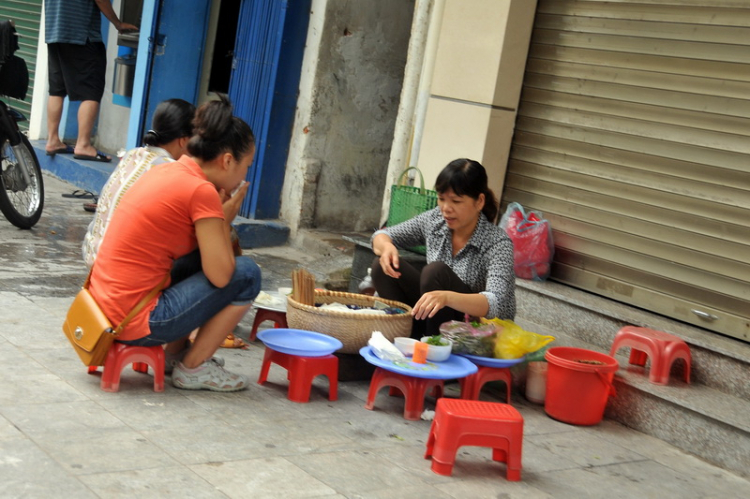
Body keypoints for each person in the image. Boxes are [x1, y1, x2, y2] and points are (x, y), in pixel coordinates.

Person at [89, 95, 261, 391]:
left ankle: (174, 356)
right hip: (133, 320)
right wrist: (224, 218)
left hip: (105, 307)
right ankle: (192, 368)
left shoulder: (168, 168)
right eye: (247, 165)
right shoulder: (200, 190)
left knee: (196, 260)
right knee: (247, 274)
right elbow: (222, 276)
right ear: (228, 160)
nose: (246, 174)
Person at [370, 158, 516, 338]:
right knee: (382, 266)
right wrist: (386, 247)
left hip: (477, 332)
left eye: (455, 201)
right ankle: (407, 337)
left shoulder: (497, 242)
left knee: (435, 272)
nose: (446, 208)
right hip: (435, 315)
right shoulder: (435, 221)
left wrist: (447, 297)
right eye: (441, 199)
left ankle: (434, 350)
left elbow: (496, 302)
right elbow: (381, 235)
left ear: (479, 201)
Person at [82, 98, 195, 267]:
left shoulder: (132, 154)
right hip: (115, 266)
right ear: (184, 140)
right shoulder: (171, 169)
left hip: (92, 255)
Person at [44, 0, 137, 161]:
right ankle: (83, 145)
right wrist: (117, 23)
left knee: (57, 89)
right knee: (91, 91)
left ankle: (52, 140)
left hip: (55, 33)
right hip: (81, 35)